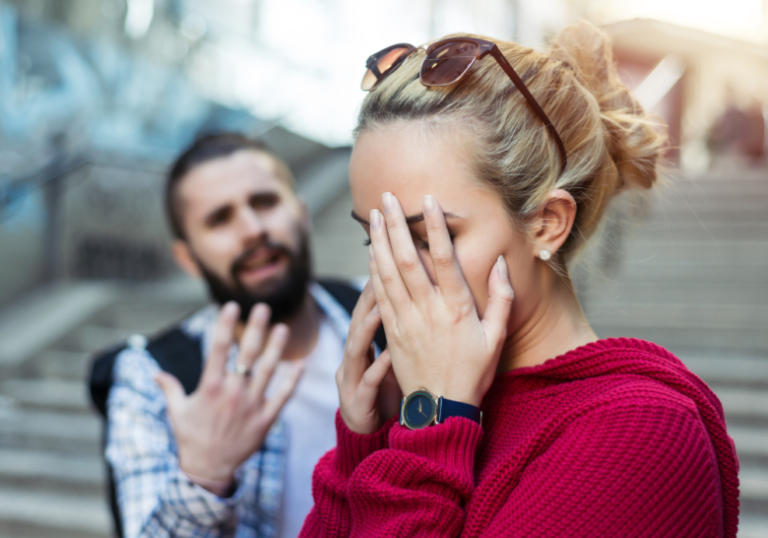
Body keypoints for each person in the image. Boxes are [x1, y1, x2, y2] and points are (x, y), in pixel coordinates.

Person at [301, 22, 739, 537]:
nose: (394, 273)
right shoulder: (420, 402)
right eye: (376, 240)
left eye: (427, 238)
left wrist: (432, 424)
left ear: (546, 222)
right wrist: (366, 438)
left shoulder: (640, 429)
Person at [101, 134, 384, 538]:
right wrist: (203, 476)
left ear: (301, 214)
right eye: (219, 219)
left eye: (265, 202)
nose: (252, 230)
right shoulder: (151, 377)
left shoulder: (386, 314)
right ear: (188, 258)